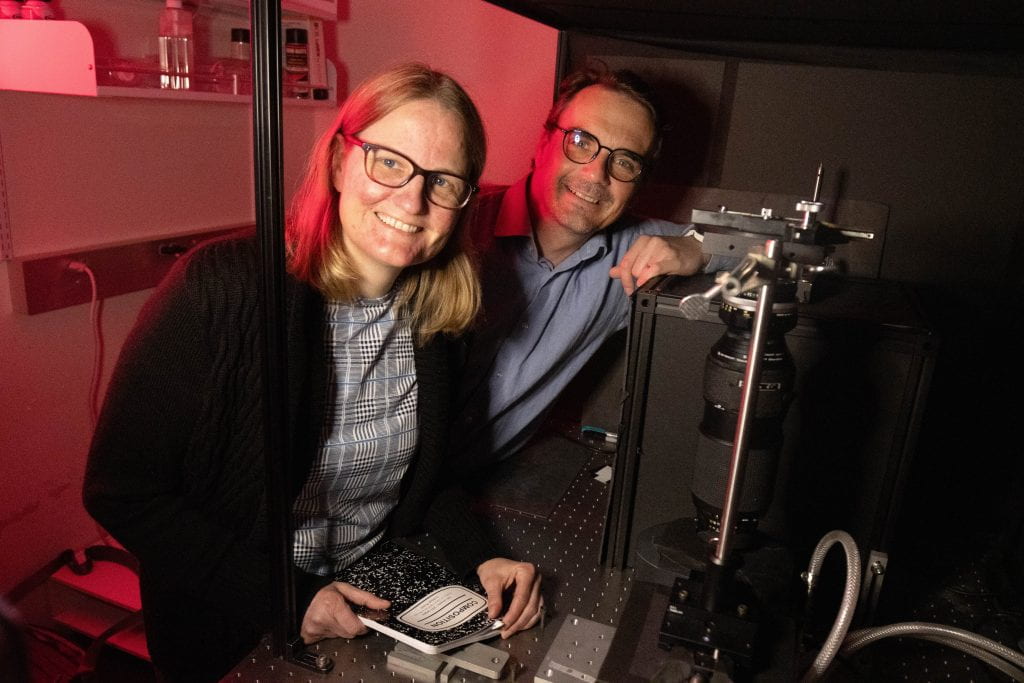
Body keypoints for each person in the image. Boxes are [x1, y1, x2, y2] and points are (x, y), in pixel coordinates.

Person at [83, 63, 541, 682]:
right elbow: (122, 492)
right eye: (388, 161)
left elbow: (427, 480)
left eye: (443, 180)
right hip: (231, 618)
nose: (412, 198)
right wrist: (288, 597)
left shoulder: (440, 318)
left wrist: (482, 557)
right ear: (337, 163)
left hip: (369, 597)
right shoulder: (221, 288)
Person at [453, 62, 731, 466]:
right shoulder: (454, 224)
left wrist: (698, 246)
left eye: (624, 162)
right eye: (581, 140)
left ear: (638, 183)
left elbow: (785, 249)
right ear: (543, 142)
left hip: (469, 488)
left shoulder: (634, 256)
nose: (595, 172)